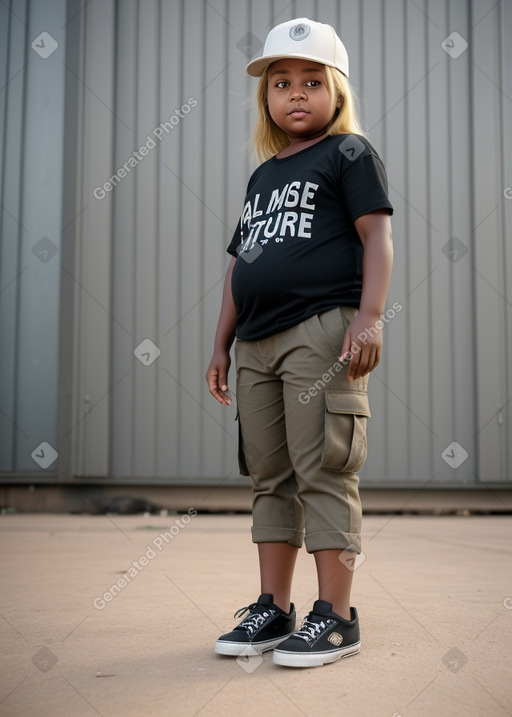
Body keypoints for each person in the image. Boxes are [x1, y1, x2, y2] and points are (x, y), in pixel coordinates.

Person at [206, 17, 393, 668]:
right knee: (270, 476)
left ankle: (337, 617)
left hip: (322, 330)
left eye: (312, 81)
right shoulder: (262, 177)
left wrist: (369, 315)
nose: (295, 94)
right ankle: (272, 607)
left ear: (336, 90)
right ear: (266, 98)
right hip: (256, 342)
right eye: (281, 83)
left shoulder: (349, 154)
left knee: (325, 468)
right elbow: (239, 263)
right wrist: (220, 344)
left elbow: (376, 236)